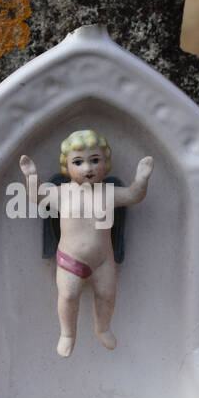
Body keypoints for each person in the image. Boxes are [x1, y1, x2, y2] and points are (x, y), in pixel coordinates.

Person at [19, 129, 153, 357]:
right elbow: (38, 197)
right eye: (78, 162)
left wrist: (141, 179)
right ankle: (67, 334)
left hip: (103, 261)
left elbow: (133, 196)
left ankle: (103, 328)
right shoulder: (62, 193)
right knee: (68, 296)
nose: (88, 168)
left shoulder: (108, 193)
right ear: (66, 166)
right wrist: (32, 177)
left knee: (107, 295)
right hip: (71, 260)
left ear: (105, 162)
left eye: (95, 160)